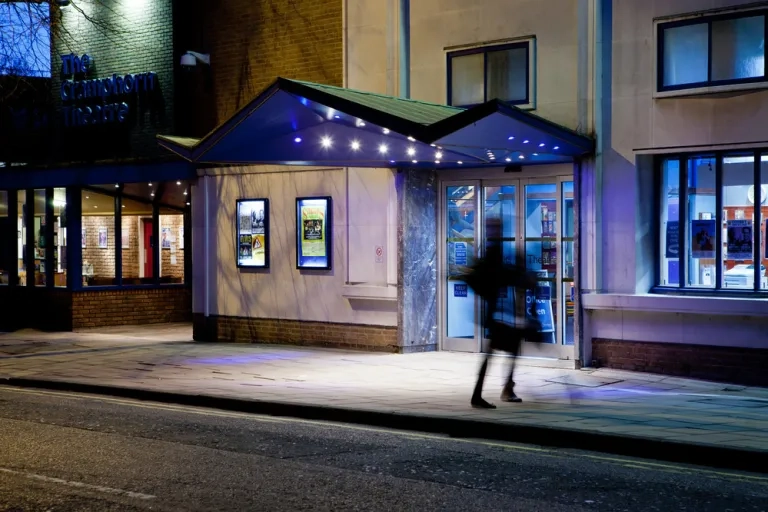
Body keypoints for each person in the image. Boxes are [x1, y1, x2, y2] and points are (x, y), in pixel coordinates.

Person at [464, 229, 542, 409]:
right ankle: (492, 392)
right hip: (502, 321)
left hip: (503, 320)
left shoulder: (500, 266)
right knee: (502, 354)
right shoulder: (501, 268)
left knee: (504, 353)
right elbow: (517, 280)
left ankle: (499, 389)